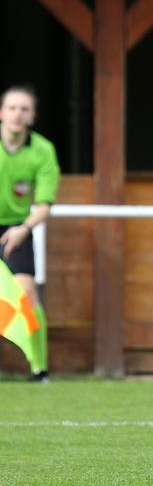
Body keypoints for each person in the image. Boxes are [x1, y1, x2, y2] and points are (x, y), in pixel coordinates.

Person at [0, 85, 60, 383]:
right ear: (1, 113)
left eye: (24, 109)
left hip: (16, 229)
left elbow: (45, 206)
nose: (17, 114)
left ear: (33, 116)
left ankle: (40, 369)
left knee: (27, 292)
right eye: (12, 108)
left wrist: (23, 229)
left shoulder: (43, 150)